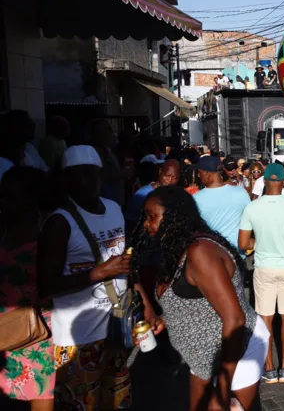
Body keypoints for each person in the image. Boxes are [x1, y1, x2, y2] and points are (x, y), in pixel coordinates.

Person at [133, 186, 267, 410]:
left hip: (237, 350)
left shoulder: (200, 252)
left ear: (174, 217)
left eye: (152, 217)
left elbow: (235, 319)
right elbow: (195, 299)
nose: (146, 224)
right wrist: (165, 320)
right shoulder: (177, 248)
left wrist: (223, 392)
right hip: (203, 355)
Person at [37, 146, 133, 410]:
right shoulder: (60, 222)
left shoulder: (114, 208)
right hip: (77, 337)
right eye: (80, 176)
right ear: (66, 180)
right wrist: (98, 273)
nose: (89, 182)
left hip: (115, 327)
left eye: (93, 174)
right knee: (80, 404)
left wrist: (143, 301)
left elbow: (122, 261)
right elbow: (46, 285)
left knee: (116, 401)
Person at [238, 164, 284, 383]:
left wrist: (260, 242)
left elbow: (242, 243)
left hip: (264, 267)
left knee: (265, 317)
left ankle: (268, 368)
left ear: (265, 181)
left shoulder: (252, 207)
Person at [0, 167, 55, 410]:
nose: (3, 202)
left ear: (31, 199)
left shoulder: (48, 233)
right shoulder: (3, 230)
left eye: (11, 197)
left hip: (37, 332)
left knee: (40, 393)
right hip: (5, 329)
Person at [193, 156, 251, 250]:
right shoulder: (241, 192)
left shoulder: (196, 198)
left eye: (199, 172)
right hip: (237, 255)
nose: (198, 176)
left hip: (212, 253)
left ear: (207, 173)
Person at [124, 159, 180, 231]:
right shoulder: (142, 195)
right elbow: (130, 223)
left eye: (175, 178)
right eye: (167, 175)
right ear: (160, 172)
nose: (170, 180)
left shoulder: (177, 195)